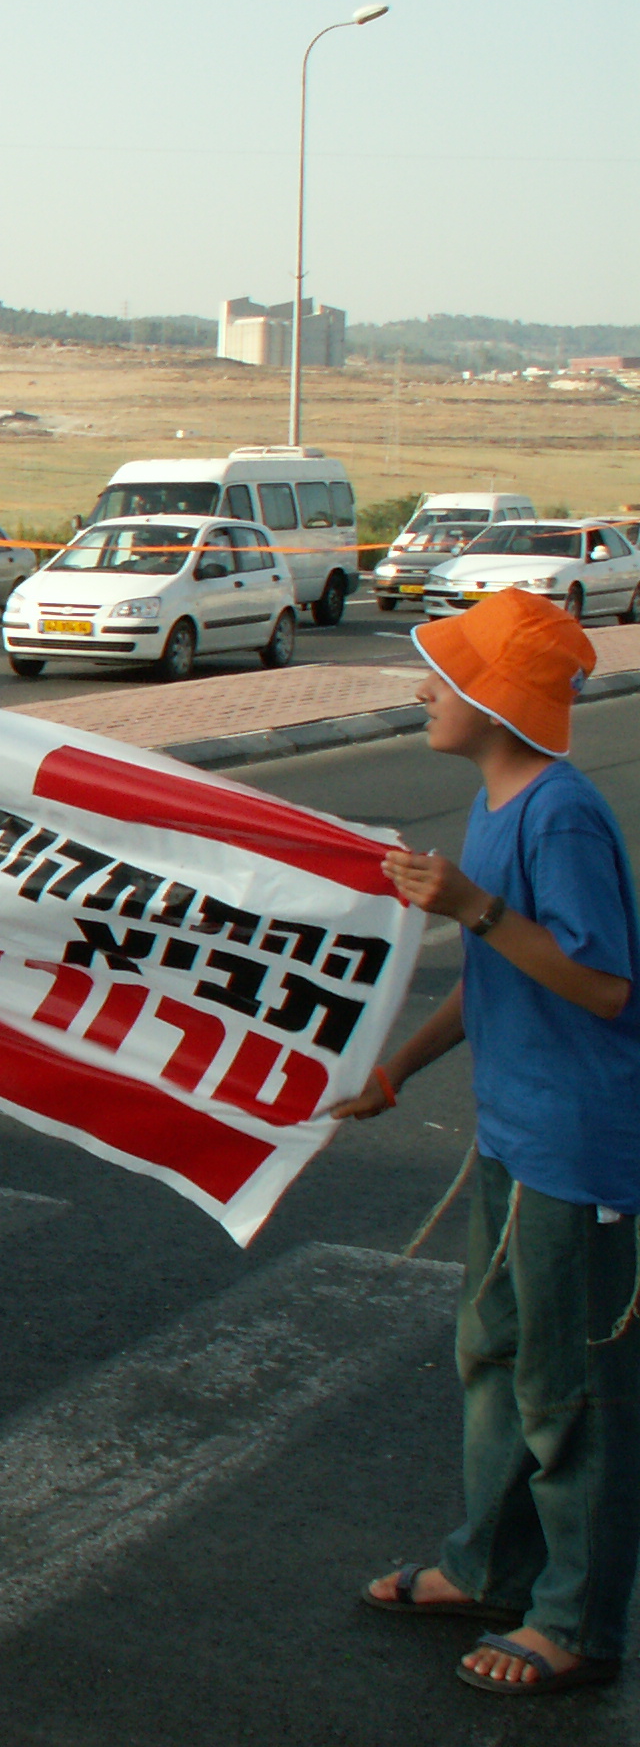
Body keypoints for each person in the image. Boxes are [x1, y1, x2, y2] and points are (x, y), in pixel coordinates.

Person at [331, 588, 640, 1697]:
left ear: (495, 703)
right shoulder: (497, 803)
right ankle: (491, 1569)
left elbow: (603, 986)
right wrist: (397, 1071)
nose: (425, 690)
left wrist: (472, 907)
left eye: (446, 676)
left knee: (571, 1393)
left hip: (576, 1150)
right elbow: (493, 971)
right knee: (497, 1360)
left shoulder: (558, 815)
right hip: (516, 1135)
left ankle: (578, 1624)